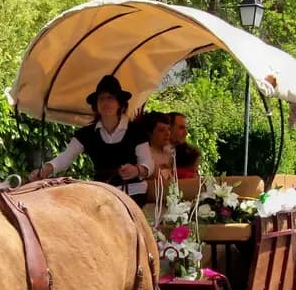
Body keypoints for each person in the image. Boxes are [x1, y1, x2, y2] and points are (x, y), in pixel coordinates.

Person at [30, 75, 153, 206]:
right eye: (101, 99)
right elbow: (65, 158)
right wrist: (45, 170)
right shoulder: (86, 134)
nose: (106, 103)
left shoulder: (136, 131)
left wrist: (137, 170)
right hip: (102, 193)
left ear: (120, 104)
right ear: (96, 105)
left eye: (110, 98)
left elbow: (148, 163)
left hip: (133, 194)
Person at [167, 112, 200, 178]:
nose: (186, 133)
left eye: (186, 128)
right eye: (181, 128)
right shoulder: (154, 152)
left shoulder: (191, 153)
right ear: (169, 128)